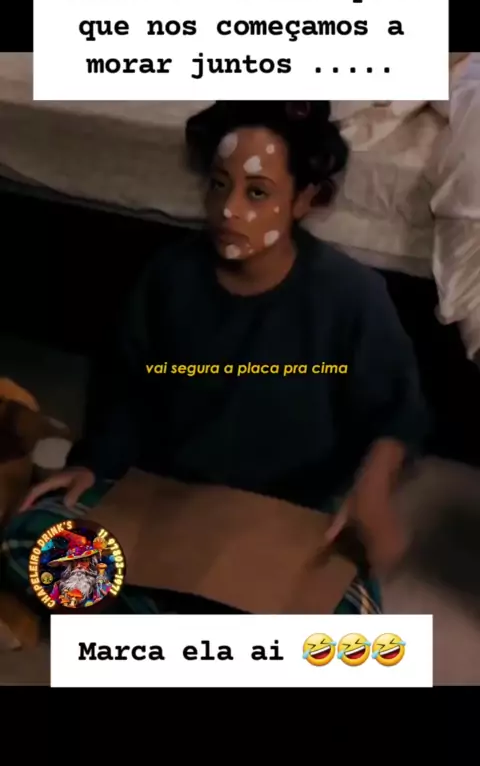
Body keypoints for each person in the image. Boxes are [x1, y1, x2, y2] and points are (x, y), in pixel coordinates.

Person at [2, 100, 427, 616]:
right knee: (27, 538)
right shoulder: (168, 277)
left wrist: (374, 489)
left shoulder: (352, 296)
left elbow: (397, 412)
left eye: (257, 193)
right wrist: (94, 464)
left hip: (288, 515)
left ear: (304, 199)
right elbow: (125, 386)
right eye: (219, 185)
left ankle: (169, 619)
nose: (229, 209)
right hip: (166, 498)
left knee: (352, 630)